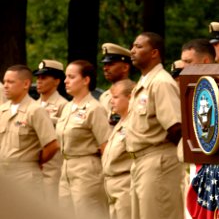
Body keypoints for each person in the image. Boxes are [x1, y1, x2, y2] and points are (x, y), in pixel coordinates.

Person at [126, 32, 184, 219]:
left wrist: (165, 158)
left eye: (139, 46)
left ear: (154, 53)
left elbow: (176, 128)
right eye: (133, 46)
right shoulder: (144, 83)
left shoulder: (161, 83)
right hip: (139, 162)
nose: (132, 51)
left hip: (157, 161)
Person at [56, 60, 111, 219]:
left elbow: (106, 145)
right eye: (66, 76)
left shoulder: (95, 108)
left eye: (71, 77)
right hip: (66, 168)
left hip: (87, 170)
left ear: (86, 80)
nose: (66, 81)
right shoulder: (67, 107)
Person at [0, 65, 59, 194]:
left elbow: (52, 145)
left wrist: (34, 161)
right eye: (4, 81)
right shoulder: (2, 110)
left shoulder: (35, 110)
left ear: (26, 84)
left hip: (25, 176)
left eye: (10, 82)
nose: (5, 86)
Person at [33, 59, 69, 202]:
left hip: (52, 168)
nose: (39, 81)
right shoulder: (33, 105)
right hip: (33, 167)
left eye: (44, 77)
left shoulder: (63, 105)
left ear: (57, 81)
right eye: (38, 77)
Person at [102, 79, 136, 219]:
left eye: (116, 97)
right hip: (111, 185)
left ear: (130, 97)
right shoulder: (120, 122)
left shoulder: (134, 123)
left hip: (125, 184)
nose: (111, 101)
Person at [99, 43, 132, 126]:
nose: (105, 68)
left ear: (125, 67)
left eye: (110, 64)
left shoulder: (134, 93)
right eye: (105, 64)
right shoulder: (104, 96)